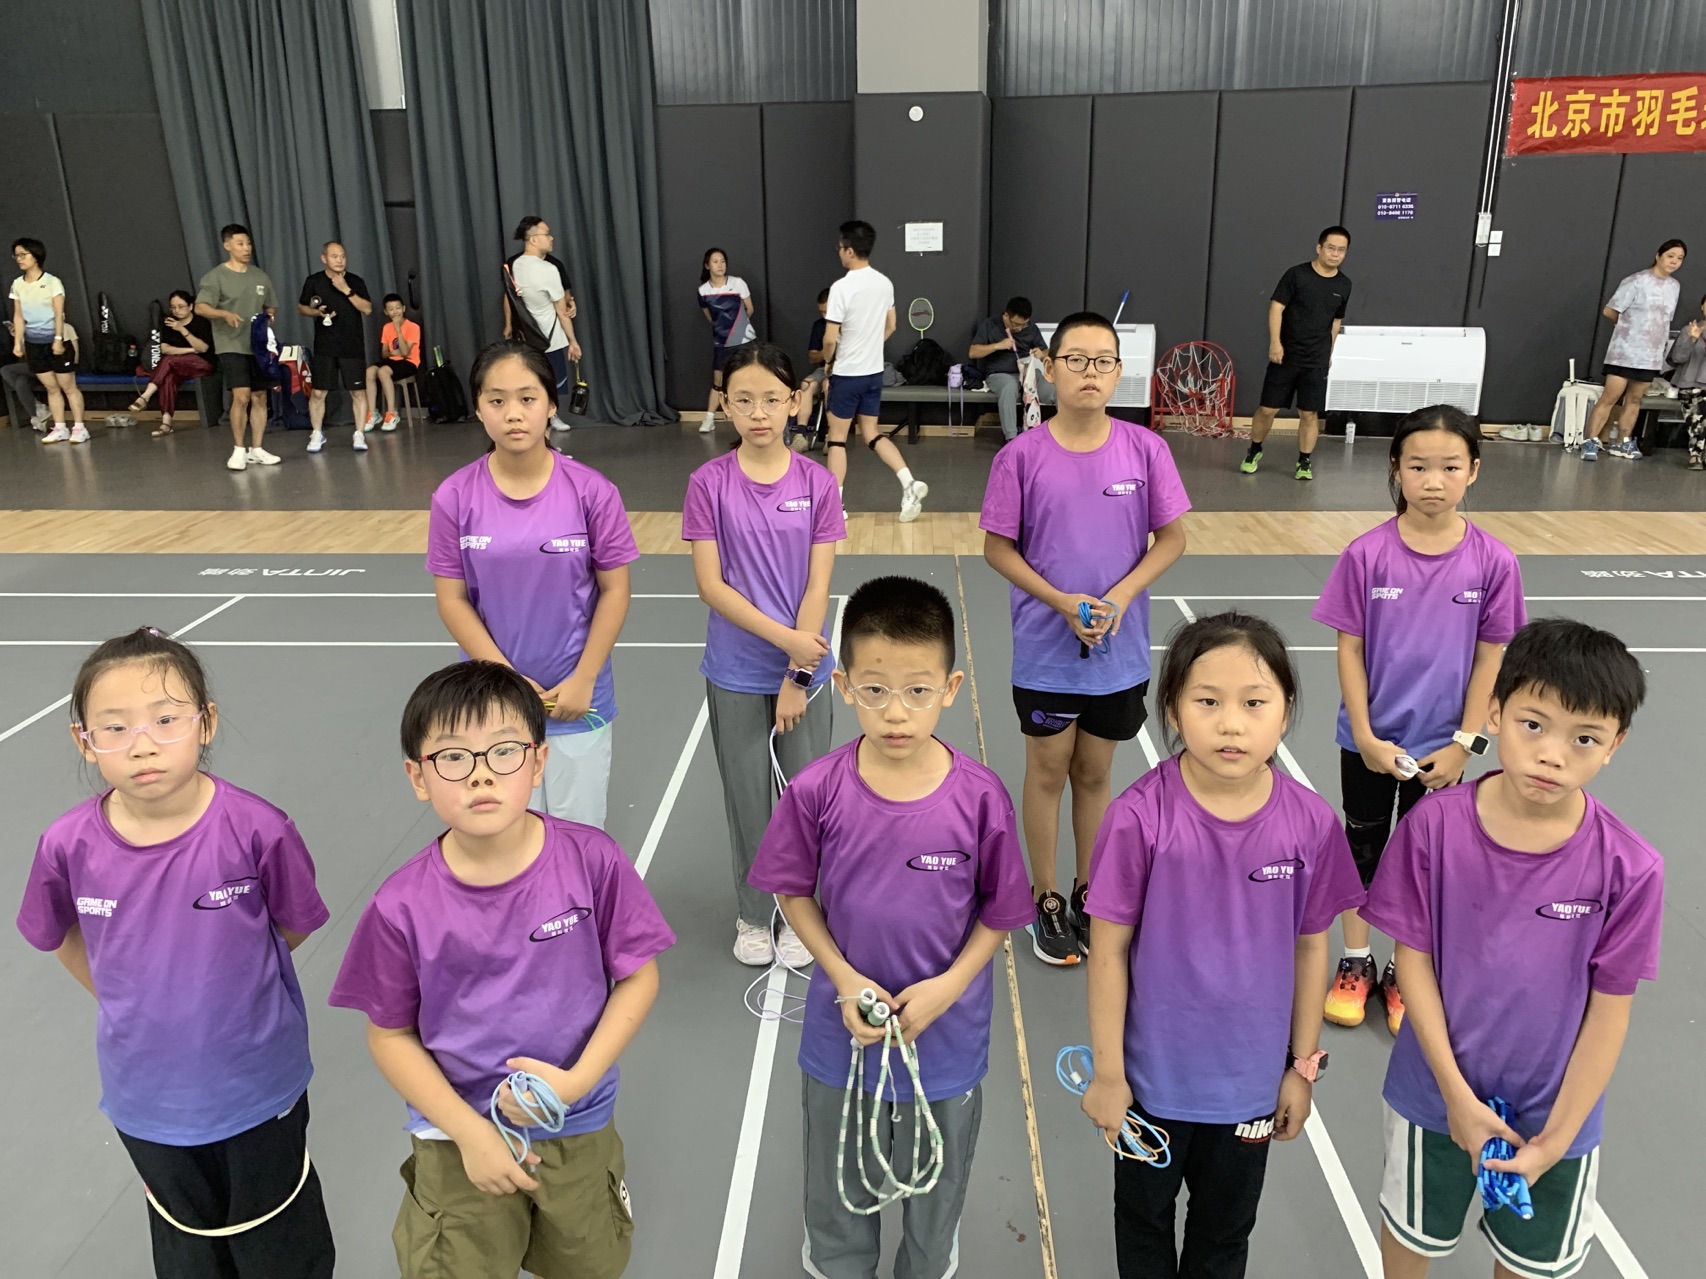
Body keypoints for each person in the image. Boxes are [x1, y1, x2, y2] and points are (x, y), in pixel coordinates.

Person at [328, 661, 673, 1279]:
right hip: (456, 1142)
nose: (481, 773)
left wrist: (574, 1084)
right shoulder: (400, 905)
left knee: (586, 1262)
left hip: (577, 1120)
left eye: (504, 751)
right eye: (453, 757)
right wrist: (470, 1133)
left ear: (538, 763)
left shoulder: (592, 860)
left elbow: (638, 977)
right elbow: (389, 1035)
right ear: (417, 776)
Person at [14, 627, 335, 1277]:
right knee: (188, 1244)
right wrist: (123, 993)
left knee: (279, 1244)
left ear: (205, 722)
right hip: (145, 1097)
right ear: (84, 740)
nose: (143, 744)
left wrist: (227, 979)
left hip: (258, 1085)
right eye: (115, 727)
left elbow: (292, 925)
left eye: (165, 719)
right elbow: (58, 933)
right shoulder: (66, 845)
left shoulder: (259, 828)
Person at [748, 575, 1033, 1279]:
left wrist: (949, 987)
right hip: (841, 1035)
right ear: (844, 686)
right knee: (837, 1185)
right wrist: (843, 978)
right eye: (874, 689)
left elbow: (1000, 913)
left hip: (947, 1039)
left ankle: (928, 1262)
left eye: (917, 689)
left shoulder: (981, 798)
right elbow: (791, 890)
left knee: (936, 1187)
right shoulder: (817, 789)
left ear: (951, 687)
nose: (896, 711)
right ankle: (839, 1262)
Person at [1365, 618, 1662, 1279]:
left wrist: (1555, 1141)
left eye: (1584, 737)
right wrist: (1456, 1098)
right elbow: (1412, 962)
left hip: (1556, 1118)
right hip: (1432, 1099)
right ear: (1495, 712)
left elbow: (1609, 1013)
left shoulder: (1632, 868)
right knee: (1410, 1241)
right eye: (1534, 724)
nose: (1553, 754)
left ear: (1614, 744)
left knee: (1529, 1266)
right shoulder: (1432, 828)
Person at [1082, 612, 1364, 1279]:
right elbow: (1109, 951)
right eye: (1208, 702)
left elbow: (1311, 948)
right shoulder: (1138, 817)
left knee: (1224, 1236)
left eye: (1254, 703)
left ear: (1285, 712)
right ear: (1173, 711)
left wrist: (1301, 1067)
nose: (1231, 724)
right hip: (1150, 1086)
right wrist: (1109, 1073)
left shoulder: (1311, 823)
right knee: (1142, 1224)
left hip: (1250, 1088)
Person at [979, 311, 1190, 966]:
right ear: (1050, 367)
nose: (1089, 372)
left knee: (1095, 774)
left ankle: (1088, 890)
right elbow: (997, 549)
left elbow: (1173, 538)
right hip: (1047, 651)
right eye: (1075, 359)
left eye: (1103, 361)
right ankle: (1045, 896)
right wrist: (1061, 602)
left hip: (1117, 652)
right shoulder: (1021, 457)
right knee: (1048, 772)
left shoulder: (1145, 450)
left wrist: (1120, 596)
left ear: (1119, 372)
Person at [1312, 405, 1526, 1035]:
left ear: (1474, 471)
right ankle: (1355, 960)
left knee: (1427, 861)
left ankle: (1405, 969)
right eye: (1419, 467)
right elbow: (1349, 650)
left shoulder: (1494, 562)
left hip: (1444, 750)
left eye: (1450, 467)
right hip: (1370, 743)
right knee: (1362, 848)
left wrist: (1466, 744)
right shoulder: (1366, 555)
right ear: (1396, 469)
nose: (1434, 481)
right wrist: (1365, 736)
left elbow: (1491, 659)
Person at [428, 341, 636, 829]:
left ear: (551, 405)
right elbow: (453, 599)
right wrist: (507, 683)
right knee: (500, 838)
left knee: (576, 839)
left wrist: (584, 679)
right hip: (492, 705)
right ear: (478, 408)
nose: (513, 414)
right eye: (497, 400)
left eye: (527, 398)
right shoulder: (454, 496)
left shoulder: (593, 491)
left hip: (577, 703)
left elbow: (615, 590)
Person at [682, 343, 844, 966]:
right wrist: (789, 645)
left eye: (772, 399)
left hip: (805, 674)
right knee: (748, 801)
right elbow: (711, 586)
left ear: (794, 402)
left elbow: (818, 585)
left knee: (805, 802)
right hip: (736, 671)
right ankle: (754, 915)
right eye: (744, 400)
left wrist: (799, 673)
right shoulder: (708, 484)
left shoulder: (818, 483)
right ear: (725, 405)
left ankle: (801, 915)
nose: (758, 413)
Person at [821, 220, 929, 522]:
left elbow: (829, 339)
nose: (839, 253)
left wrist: (829, 362)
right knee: (871, 433)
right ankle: (909, 483)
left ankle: (836, 506)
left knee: (837, 439)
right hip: (872, 374)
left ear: (849, 250)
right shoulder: (884, 283)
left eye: (840, 248)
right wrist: (870, 344)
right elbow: (892, 325)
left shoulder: (841, 288)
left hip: (846, 374)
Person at [1239, 226, 1352, 481]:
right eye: (1331, 248)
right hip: (1286, 355)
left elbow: (1336, 322)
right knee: (1267, 409)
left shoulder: (1344, 284)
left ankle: (1304, 460)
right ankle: (1254, 450)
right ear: (1319, 248)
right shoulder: (1296, 275)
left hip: (1316, 359)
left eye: (1341, 250)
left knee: (1309, 413)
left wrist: (1329, 352)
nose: (1335, 254)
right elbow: (1276, 308)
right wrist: (1275, 343)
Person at [1583, 238, 1687, 461]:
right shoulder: (1636, 281)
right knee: (1610, 397)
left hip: (1650, 356)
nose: (1674, 261)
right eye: (1670, 256)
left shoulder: (1674, 286)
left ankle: (1623, 443)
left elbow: (1665, 319)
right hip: (1624, 352)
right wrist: (1628, 328)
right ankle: (1590, 441)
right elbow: (1610, 310)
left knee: (1635, 399)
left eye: (1679, 258)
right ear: (1658, 256)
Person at [195, 223, 280, 472]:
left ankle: (257, 448)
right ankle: (239, 449)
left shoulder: (260, 276)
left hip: (258, 346)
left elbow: (270, 306)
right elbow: (200, 307)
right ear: (227, 245)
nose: (246, 248)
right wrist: (223, 314)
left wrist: (269, 318)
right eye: (240, 244)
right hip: (230, 344)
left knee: (260, 396)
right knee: (241, 396)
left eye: (248, 243)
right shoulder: (216, 276)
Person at [505, 215, 580, 433]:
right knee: (549, 386)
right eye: (547, 234)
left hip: (526, 340)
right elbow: (562, 313)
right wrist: (573, 341)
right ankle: (546, 431)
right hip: (550, 341)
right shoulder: (548, 270)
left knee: (530, 387)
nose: (551, 238)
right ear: (534, 239)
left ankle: (535, 430)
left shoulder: (515, 265)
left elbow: (510, 297)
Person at [296, 241, 373, 455]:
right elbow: (301, 307)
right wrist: (317, 313)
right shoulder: (314, 281)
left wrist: (345, 289)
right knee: (318, 392)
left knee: (358, 392)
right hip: (325, 347)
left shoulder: (355, 281)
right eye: (334, 256)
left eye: (342, 256)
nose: (339, 260)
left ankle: (359, 433)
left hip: (352, 345)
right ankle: (317, 433)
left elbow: (367, 309)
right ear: (324, 259)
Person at [9, 237, 88, 444]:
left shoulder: (52, 282)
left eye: (23, 254)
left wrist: (58, 339)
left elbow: (59, 313)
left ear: (35, 256)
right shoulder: (17, 284)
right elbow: (18, 316)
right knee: (51, 388)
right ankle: (60, 427)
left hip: (57, 341)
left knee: (68, 386)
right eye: (16, 255)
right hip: (34, 344)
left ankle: (79, 428)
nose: (19, 259)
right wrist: (18, 343)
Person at [128, 290, 214, 437]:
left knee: (168, 360)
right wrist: (191, 350)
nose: (176, 311)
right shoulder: (168, 323)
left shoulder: (201, 323)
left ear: (190, 306)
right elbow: (165, 349)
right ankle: (166, 423)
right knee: (168, 378)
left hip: (203, 363)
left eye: (181, 306)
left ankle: (145, 396)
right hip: (179, 365)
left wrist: (181, 329)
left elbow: (204, 348)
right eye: (173, 307)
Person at [968, 295, 1050, 442]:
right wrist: (997, 346)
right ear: (1006, 316)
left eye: (1023, 325)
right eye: (1016, 324)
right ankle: (1011, 439)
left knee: (1051, 389)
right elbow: (973, 352)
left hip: (1026, 372)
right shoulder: (990, 325)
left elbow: (1047, 352)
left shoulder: (1031, 328)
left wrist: (1042, 354)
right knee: (1009, 388)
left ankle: (1065, 433)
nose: (1019, 328)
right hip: (999, 374)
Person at [696, 247, 757, 434]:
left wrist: (738, 329)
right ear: (707, 265)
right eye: (715, 261)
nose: (720, 265)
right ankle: (709, 419)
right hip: (721, 342)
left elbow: (750, 309)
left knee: (750, 377)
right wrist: (723, 331)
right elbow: (710, 317)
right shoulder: (703, 291)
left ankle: (753, 416)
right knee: (718, 381)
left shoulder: (738, 283)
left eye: (722, 261)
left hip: (744, 339)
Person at [364, 293, 420, 431]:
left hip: (410, 362)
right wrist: (393, 353)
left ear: (403, 308)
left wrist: (398, 330)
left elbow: (406, 353)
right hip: (392, 361)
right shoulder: (386, 327)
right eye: (391, 309)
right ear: (386, 312)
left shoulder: (413, 327)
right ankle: (373, 413)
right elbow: (384, 353)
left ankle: (392, 413)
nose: (395, 312)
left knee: (383, 371)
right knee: (370, 371)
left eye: (398, 308)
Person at [1666, 291, 1706, 470]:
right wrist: (1692, 339)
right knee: (1700, 412)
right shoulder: (1688, 330)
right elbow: (1677, 358)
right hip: (1691, 385)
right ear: (1702, 307)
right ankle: (1696, 454)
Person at [789, 286, 832, 447]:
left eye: (828, 311)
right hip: (824, 368)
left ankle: (831, 436)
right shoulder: (819, 326)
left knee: (829, 386)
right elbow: (812, 357)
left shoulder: (850, 325)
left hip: (844, 371)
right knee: (806, 385)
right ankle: (801, 435)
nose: (825, 316)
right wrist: (829, 351)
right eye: (822, 312)